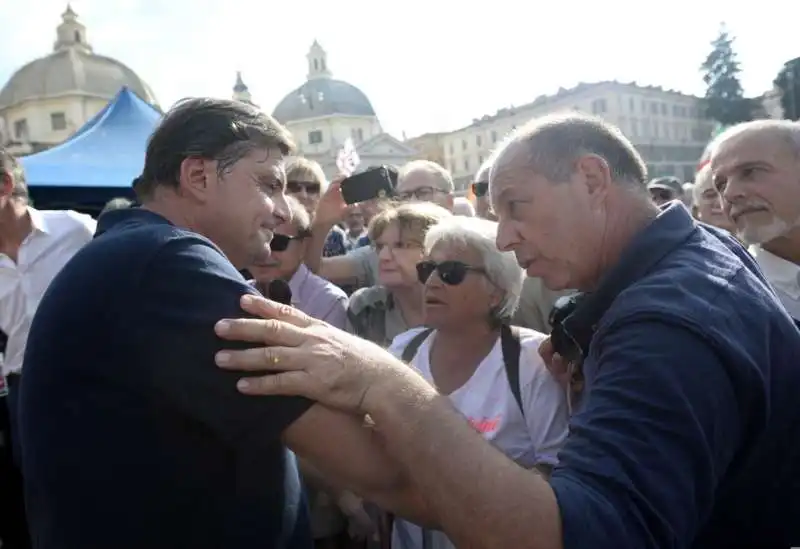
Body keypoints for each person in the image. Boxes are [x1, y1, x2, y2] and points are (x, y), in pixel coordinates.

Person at [213, 113, 800, 549]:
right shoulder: (699, 253)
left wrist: (385, 383)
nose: (504, 238)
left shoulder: (665, 323)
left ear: (592, 178)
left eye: (515, 206)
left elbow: (566, 537)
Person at [19, 98, 423, 549]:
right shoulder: (171, 263)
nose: (284, 211)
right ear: (198, 176)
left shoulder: (140, 257)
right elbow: (384, 472)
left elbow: (269, 427)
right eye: (269, 184)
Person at [389, 216, 569, 549]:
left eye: (451, 273)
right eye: (427, 269)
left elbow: (555, 471)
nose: (432, 283)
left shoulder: (531, 360)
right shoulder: (402, 350)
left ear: (496, 292)